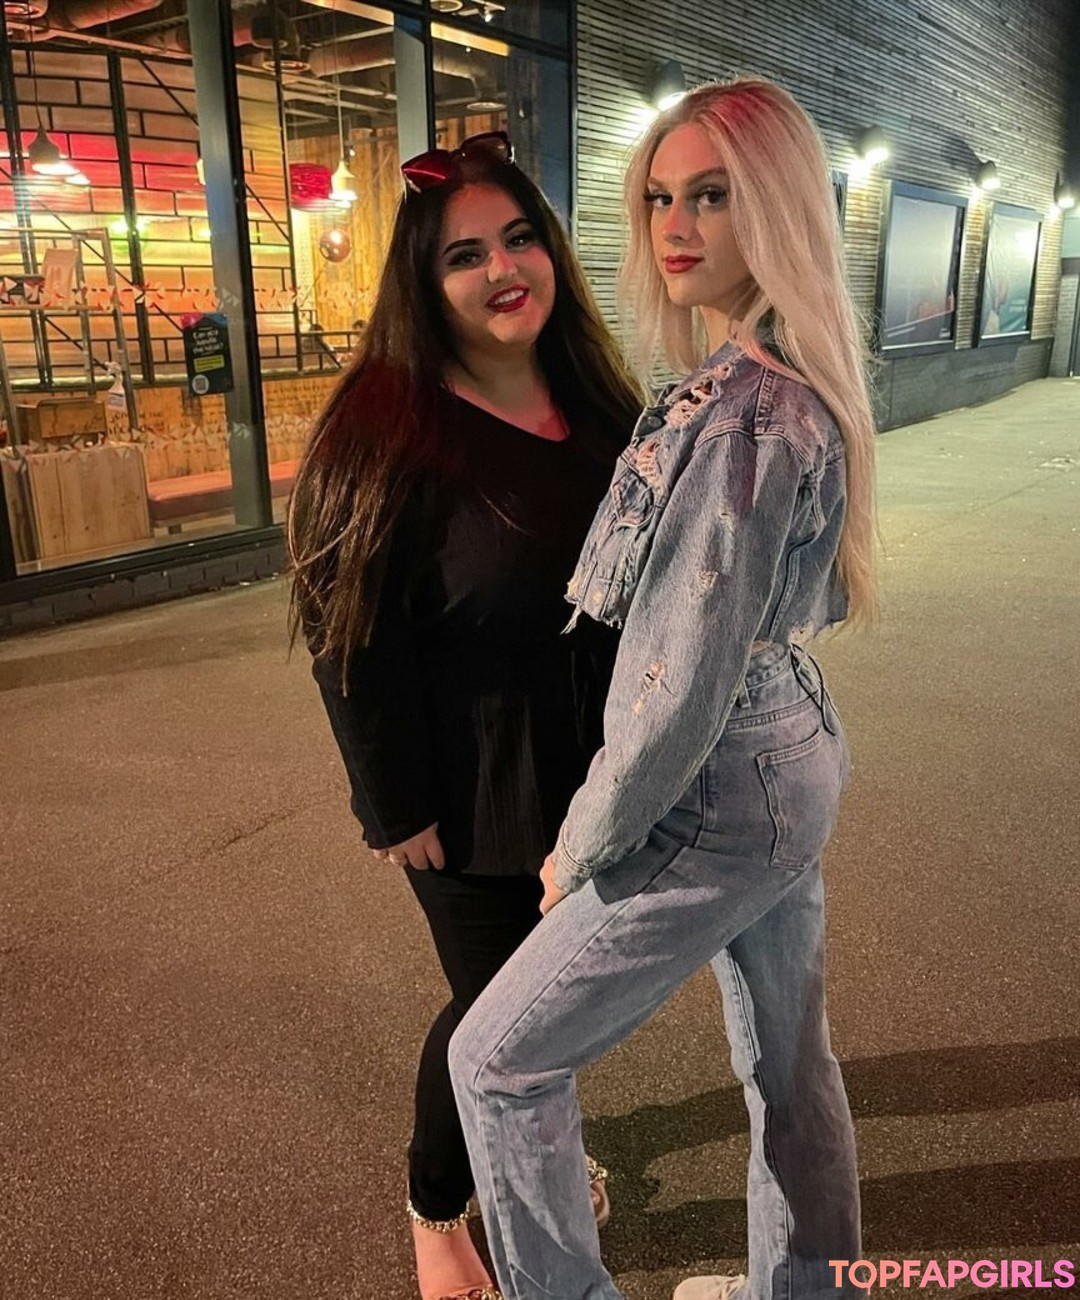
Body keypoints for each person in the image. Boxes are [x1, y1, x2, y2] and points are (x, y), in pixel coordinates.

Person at [448, 79, 877, 1300]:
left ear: (777, 208)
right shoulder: (773, 378)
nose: (674, 226)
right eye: (658, 198)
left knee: (497, 1060)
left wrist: (583, 840)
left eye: (712, 196)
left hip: (723, 778)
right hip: (789, 746)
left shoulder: (745, 414)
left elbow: (681, 674)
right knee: (789, 1064)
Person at [286, 131, 641, 1300]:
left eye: (521, 238)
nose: (504, 268)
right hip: (469, 792)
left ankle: (540, 1140)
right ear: (423, 283)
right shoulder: (384, 429)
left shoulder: (595, 400)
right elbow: (348, 641)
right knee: (496, 1016)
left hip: (600, 776)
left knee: (563, 999)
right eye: (465, 254)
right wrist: (393, 807)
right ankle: (436, 1204)